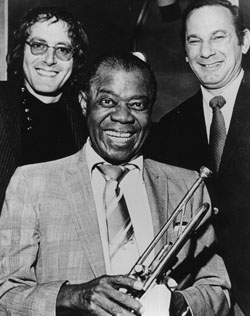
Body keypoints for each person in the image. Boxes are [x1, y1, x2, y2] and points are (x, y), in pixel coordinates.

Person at [0, 51, 230, 316]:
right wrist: (72, 296)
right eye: (108, 101)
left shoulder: (187, 185)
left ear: (151, 108)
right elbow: (6, 294)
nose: (123, 117)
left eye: (137, 104)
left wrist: (175, 305)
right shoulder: (31, 183)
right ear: (84, 103)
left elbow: (218, 287)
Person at [143, 0, 250, 314]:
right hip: (198, 301)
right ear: (186, 52)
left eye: (218, 37)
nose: (206, 52)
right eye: (195, 40)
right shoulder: (167, 130)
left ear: (244, 41)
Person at [0, 6, 89, 209]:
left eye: (63, 50)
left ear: (75, 60)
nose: (50, 60)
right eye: (39, 45)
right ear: (21, 50)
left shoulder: (85, 118)